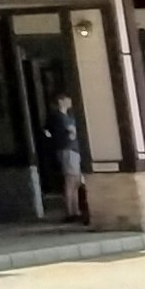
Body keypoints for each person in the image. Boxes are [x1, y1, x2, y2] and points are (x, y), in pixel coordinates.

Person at [43, 92, 89, 224]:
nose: (70, 101)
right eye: (67, 99)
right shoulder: (59, 117)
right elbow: (69, 132)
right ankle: (71, 211)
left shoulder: (65, 117)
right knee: (71, 181)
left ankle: (75, 210)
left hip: (71, 149)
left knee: (75, 181)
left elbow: (47, 132)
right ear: (61, 101)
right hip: (68, 149)